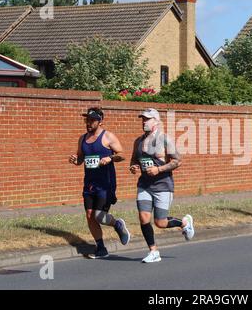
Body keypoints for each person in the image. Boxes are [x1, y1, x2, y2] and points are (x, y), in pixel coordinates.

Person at [129, 108, 194, 263]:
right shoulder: (138, 141)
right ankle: (153, 251)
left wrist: (158, 169)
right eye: (142, 119)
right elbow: (134, 160)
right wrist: (134, 167)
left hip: (163, 185)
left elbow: (177, 160)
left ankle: (184, 222)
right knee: (144, 217)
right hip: (144, 185)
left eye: (147, 119)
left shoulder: (165, 139)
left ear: (156, 121)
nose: (144, 121)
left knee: (160, 222)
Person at [69, 107, 130, 259]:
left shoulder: (107, 136)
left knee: (99, 215)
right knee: (90, 215)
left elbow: (122, 155)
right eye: (86, 120)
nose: (88, 123)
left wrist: (110, 158)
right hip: (89, 184)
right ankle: (101, 248)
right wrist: (76, 160)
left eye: (92, 120)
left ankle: (117, 224)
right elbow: (81, 158)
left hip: (105, 184)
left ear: (100, 121)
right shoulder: (82, 139)